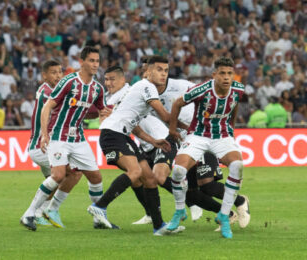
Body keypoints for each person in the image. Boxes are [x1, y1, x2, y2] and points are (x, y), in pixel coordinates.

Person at [88, 56, 184, 236]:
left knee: (149, 178)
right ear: (148, 72)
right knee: (135, 172)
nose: (163, 74)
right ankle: (100, 206)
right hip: (112, 135)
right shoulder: (147, 86)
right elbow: (164, 116)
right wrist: (189, 125)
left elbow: (136, 127)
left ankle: (158, 226)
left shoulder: (139, 90)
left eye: (165, 71)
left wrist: (153, 141)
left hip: (123, 135)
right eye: (158, 70)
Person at [20, 47, 106, 231]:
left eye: (97, 61)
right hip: (58, 135)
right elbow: (47, 107)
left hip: (79, 138)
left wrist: (110, 116)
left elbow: (98, 112)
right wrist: (44, 134)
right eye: (91, 60)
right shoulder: (68, 81)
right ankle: (29, 214)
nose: (95, 65)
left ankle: (98, 217)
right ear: (81, 62)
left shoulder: (97, 88)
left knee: (95, 176)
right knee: (59, 175)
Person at [166, 57, 245, 239]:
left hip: (222, 136)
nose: (226, 77)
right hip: (199, 135)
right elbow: (177, 103)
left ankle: (224, 216)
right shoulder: (202, 89)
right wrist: (172, 130)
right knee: (178, 171)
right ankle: (180, 211)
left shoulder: (238, 90)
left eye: (229, 74)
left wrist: (231, 128)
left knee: (237, 166)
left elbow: (234, 106)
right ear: (214, 75)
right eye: (222, 73)